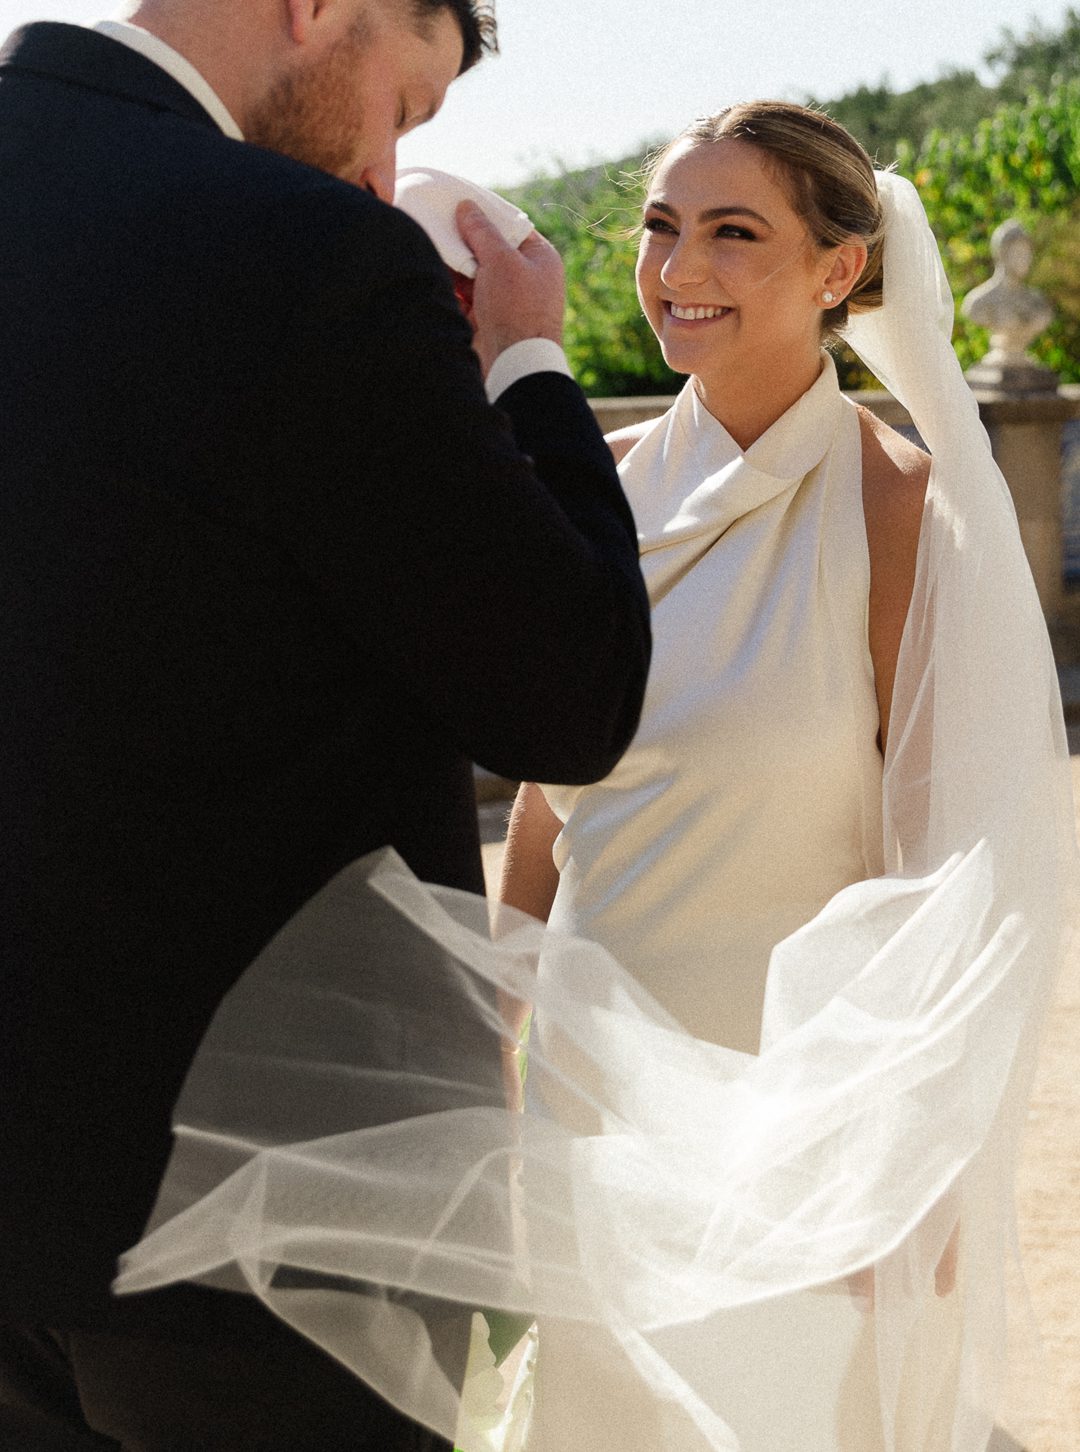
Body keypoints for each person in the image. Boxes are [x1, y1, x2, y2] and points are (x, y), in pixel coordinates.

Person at [110, 104, 1075, 1452]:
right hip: (593, 1108)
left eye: (734, 233)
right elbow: (548, 805)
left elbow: (945, 870)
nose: (678, 268)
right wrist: (489, 1053)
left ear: (840, 268)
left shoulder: (903, 509)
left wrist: (905, 1161)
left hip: (794, 1117)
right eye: (662, 228)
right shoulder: (589, 486)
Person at [0, 0, 652, 1447]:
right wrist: (529, 365)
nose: (385, 165)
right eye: (404, 106)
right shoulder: (305, 253)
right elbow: (569, 693)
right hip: (263, 1231)